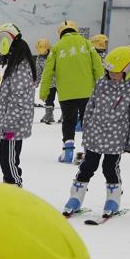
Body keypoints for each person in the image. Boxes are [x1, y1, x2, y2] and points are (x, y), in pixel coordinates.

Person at [64, 47, 130, 218]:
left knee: (110, 168)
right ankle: (75, 197)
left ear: (128, 70)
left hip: (116, 139)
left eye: (116, 72)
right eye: (110, 71)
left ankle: (113, 199)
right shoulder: (101, 82)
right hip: (95, 134)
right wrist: (86, 130)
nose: (112, 75)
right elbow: (90, 107)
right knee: (87, 166)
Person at [38, 20, 102, 164]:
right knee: (87, 121)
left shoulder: (57, 48)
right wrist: (102, 87)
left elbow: (47, 71)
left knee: (68, 121)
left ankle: (68, 151)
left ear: (61, 33)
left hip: (66, 93)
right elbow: (97, 66)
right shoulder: (87, 44)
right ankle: (88, 152)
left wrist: (44, 92)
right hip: (86, 92)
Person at [0, 24, 36, 186]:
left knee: (8, 160)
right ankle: (10, 185)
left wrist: (8, 124)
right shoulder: (18, 66)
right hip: (11, 125)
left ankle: (14, 184)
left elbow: (19, 101)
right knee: (9, 158)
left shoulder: (20, 70)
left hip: (12, 127)